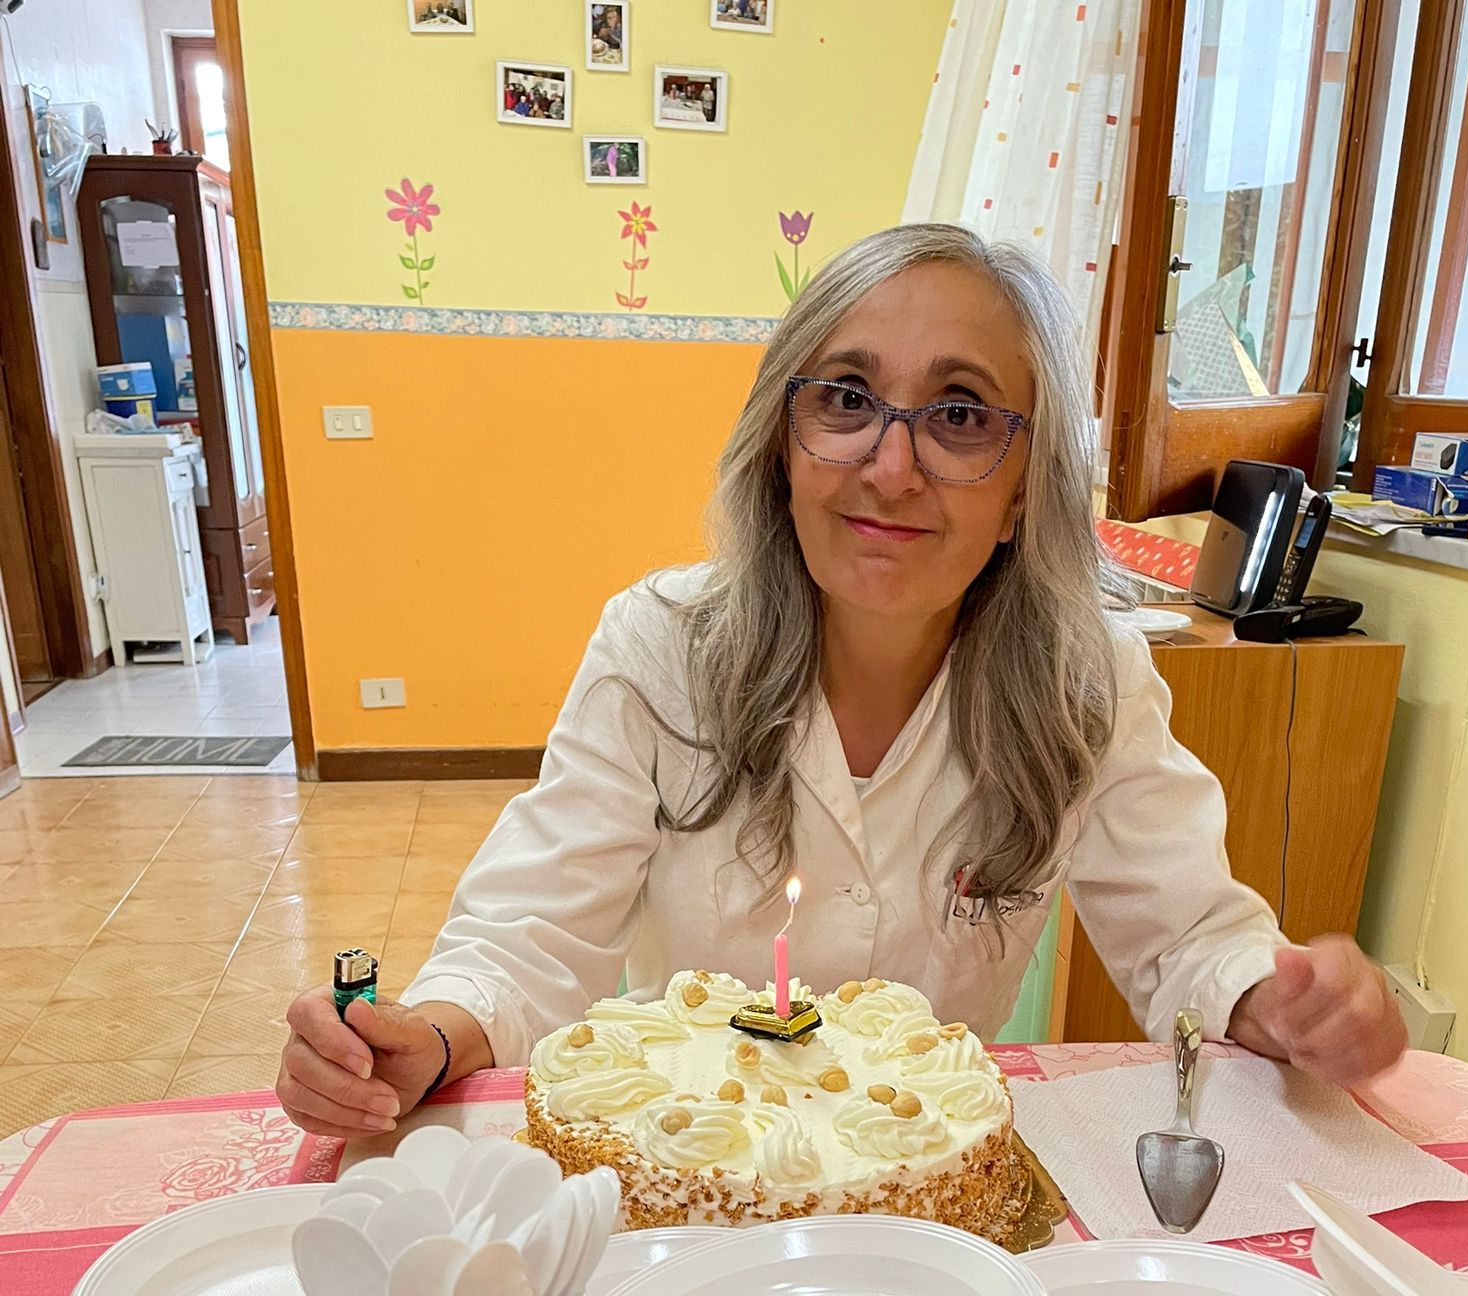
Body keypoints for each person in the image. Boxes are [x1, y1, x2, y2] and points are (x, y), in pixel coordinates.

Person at [275, 224, 1406, 1139]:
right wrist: (424, 1032)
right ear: (784, 440)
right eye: (847, 400)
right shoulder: (659, 645)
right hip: (696, 1156)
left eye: (960, 414)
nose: (892, 464)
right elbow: (528, 937)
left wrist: (1280, 1001)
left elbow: (1188, 937)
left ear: (1023, 489)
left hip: (921, 1164)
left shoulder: (1087, 678)